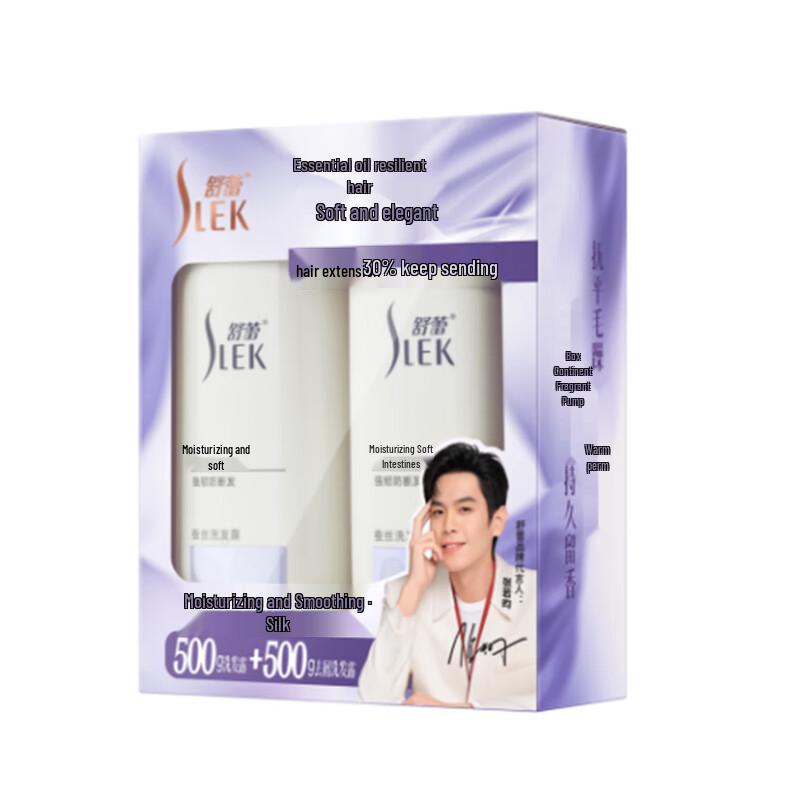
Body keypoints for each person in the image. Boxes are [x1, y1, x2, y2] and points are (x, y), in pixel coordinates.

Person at [358, 443, 536, 709]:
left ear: (497, 521)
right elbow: (374, 698)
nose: (449, 526)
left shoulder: (538, 594)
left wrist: (461, 711)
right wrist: (415, 587)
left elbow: (559, 694)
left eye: (464, 510)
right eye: (439, 512)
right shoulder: (405, 593)